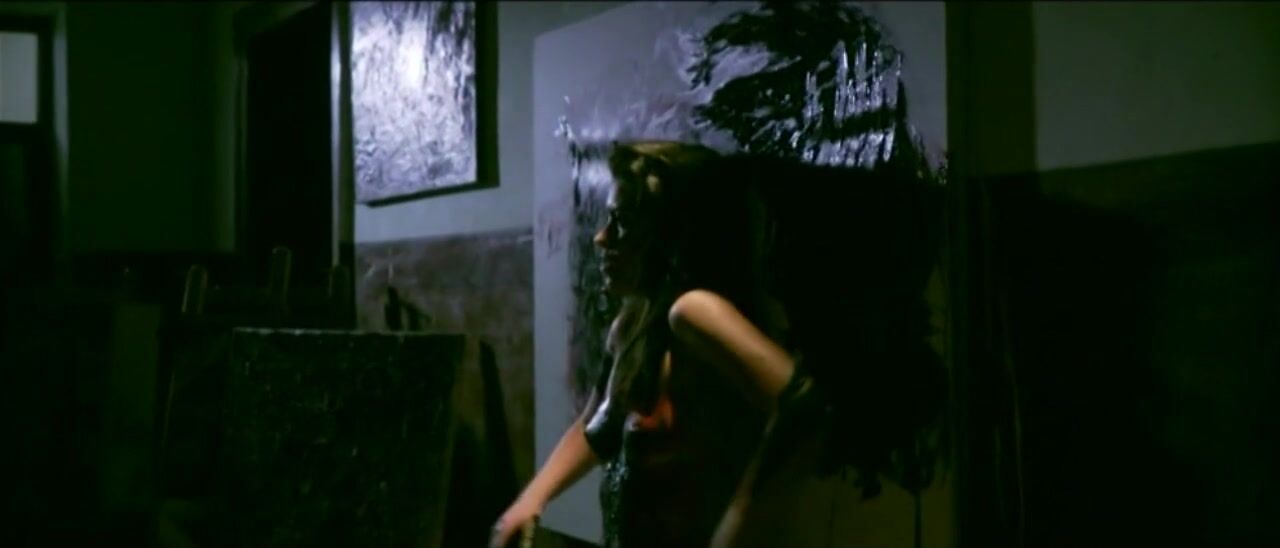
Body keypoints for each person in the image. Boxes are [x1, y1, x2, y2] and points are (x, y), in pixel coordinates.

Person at [491, 141, 944, 548]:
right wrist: (531, 500)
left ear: (670, 234)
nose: (602, 237)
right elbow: (597, 423)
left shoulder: (694, 312)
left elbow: (806, 407)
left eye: (623, 222)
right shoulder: (634, 325)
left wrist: (741, 521)